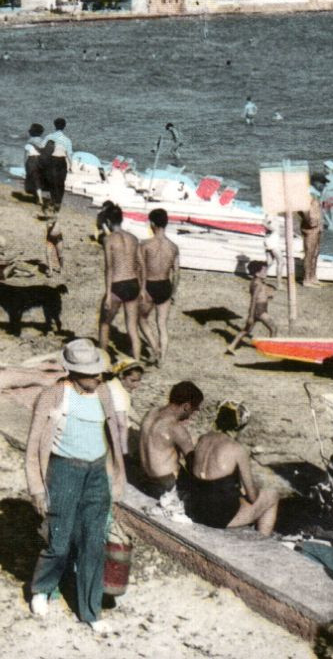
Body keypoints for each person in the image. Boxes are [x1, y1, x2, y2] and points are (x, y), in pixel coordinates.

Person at [24, 339, 126, 633]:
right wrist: (37, 489)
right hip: (64, 470)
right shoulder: (53, 395)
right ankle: (42, 589)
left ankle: (91, 611)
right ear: (72, 372)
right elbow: (32, 447)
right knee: (59, 539)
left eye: (99, 372)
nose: (98, 378)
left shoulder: (104, 393)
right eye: (91, 373)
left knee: (94, 542)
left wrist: (116, 477)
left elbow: (114, 438)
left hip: (96, 473)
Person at [179, 402, 279, 535]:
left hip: (195, 509)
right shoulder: (237, 449)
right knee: (272, 496)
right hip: (218, 518)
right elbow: (253, 497)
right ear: (240, 426)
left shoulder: (203, 439)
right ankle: (261, 542)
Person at [138, 381, 204, 513]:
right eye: (193, 410)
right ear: (186, 406)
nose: (192, 414)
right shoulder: (176, 429)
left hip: (145, 479)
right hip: (165, 487)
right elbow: (194, 467)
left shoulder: (151, 413)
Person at [95, 204, 145, 361]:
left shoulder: (108, 240)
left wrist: (108, 295)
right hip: (133, 284)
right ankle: (137, 362)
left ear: (109, 221)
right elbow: (140, 266)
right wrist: (142, 288)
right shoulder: (134, 239)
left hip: (117, 285)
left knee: (104, 324)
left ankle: (103, 360)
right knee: (132, 327)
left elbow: (109, 268)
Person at [137, 209, 180, 366]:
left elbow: (140, 269)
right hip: (165, 285)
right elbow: (177, 273)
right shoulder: (174, 247)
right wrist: (173, 292)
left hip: (149, 284)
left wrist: (141, 289)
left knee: (141, 319)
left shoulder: (145, 245)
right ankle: (162, 360)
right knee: (162, 324)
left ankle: (155, 348)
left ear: (152, 224)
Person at [225, 261, 276, 354]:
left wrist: (268, 296)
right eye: (264, 271)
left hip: (258, 310)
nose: (266, 273)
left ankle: (231, 346)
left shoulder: (255, 282)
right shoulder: (258, 284)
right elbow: (253, 300)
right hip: (260, 311)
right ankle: (270, 349)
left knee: (246, 330)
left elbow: (261, 295)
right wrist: (251, 316)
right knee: (273, 329)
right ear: (257, 273)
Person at [298, 175, 324, 287]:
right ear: (315, 182)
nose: (323, 185)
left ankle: (313, 276)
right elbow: (303, 209)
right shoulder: (307, 193)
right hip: (310, 228)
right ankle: (306, 279)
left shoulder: (316, 194)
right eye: (321, 183)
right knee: (309, 253)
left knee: (316, 252)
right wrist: (310, 221)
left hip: (317, 226)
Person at [42, 118, 71, 211]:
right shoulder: (67, 139)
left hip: (52, 160)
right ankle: (58, 201)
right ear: (64, 127)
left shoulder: (49, 136)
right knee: (61, 182)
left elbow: (42, 146)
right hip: (62, 160)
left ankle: (54, 200)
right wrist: (71, 166)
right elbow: (69, 154)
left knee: (52, 180)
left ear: (54, 125)